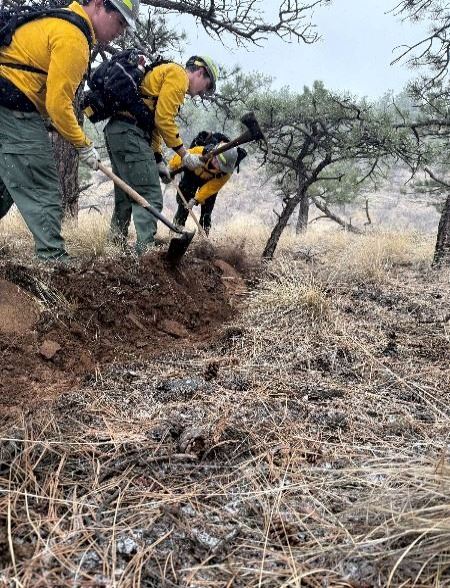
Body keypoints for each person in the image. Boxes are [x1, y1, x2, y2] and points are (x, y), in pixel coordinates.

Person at [0, 0, 137, 262]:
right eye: (119, 22)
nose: (120, 31)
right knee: (43, 188)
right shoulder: (74, 36)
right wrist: (84, 144)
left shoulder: (61, 20)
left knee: (5, 185)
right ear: (98, 5)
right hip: (12, 103)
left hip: (8, 102)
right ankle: (54, 264)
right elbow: (58, 105)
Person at [98, 55, 219, 254]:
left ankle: (114, 250)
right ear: (200, 72)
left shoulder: (168, 73)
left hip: (118, 131)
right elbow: (163, 120)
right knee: (150, 196)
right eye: (205, 87)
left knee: (125, 195)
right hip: (130, 133)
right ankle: (145, 256)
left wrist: (157, 159)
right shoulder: (178, 75)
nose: (199, 94)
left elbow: (152, 123)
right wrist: (184, 154)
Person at [170, 131, 246, 235]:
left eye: (221, 166)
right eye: (217, 162)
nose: (217, 167)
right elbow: (181, 157)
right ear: (215, 156)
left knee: (206, 213)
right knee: (183, 205)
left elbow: (211, 188)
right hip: (191, 174)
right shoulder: (199, 151)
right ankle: (176, 231)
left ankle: (203, 238)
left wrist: (196, 199)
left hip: (209, 182)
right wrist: (171, 168)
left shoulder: (225, 174)